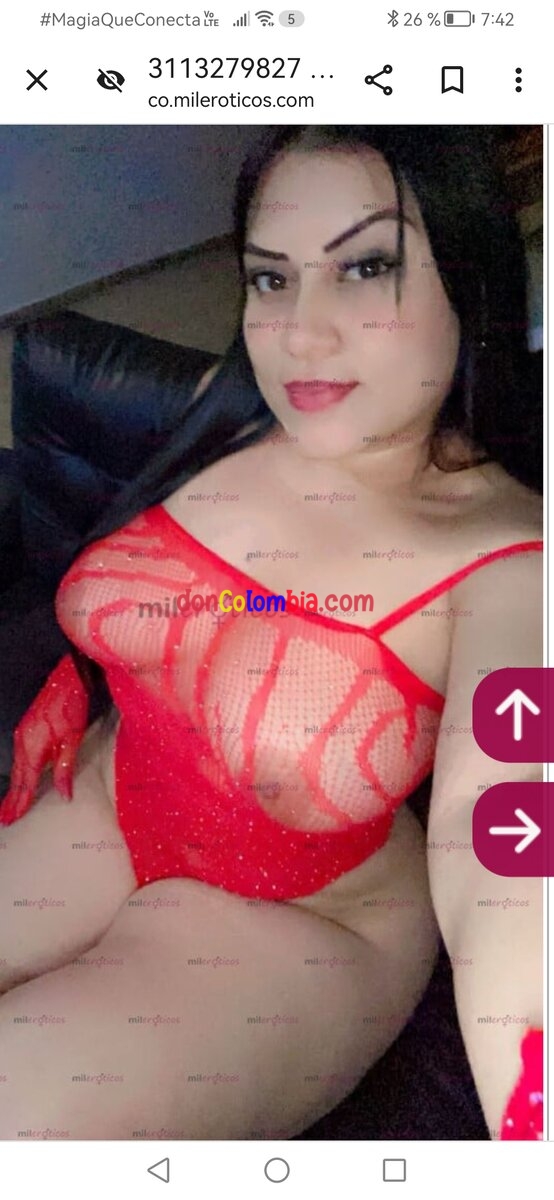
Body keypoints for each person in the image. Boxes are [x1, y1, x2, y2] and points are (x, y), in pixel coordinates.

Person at [0, 125, 542, 1141]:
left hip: (300, 916)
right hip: (111, 800)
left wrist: (532, 1102)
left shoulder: (514, 565)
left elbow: (507, 835)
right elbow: (221, 605)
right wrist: (81, 677)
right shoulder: (242, 410)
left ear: (470, 280)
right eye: (271, 278)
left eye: (366, 267)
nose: (300, 335)